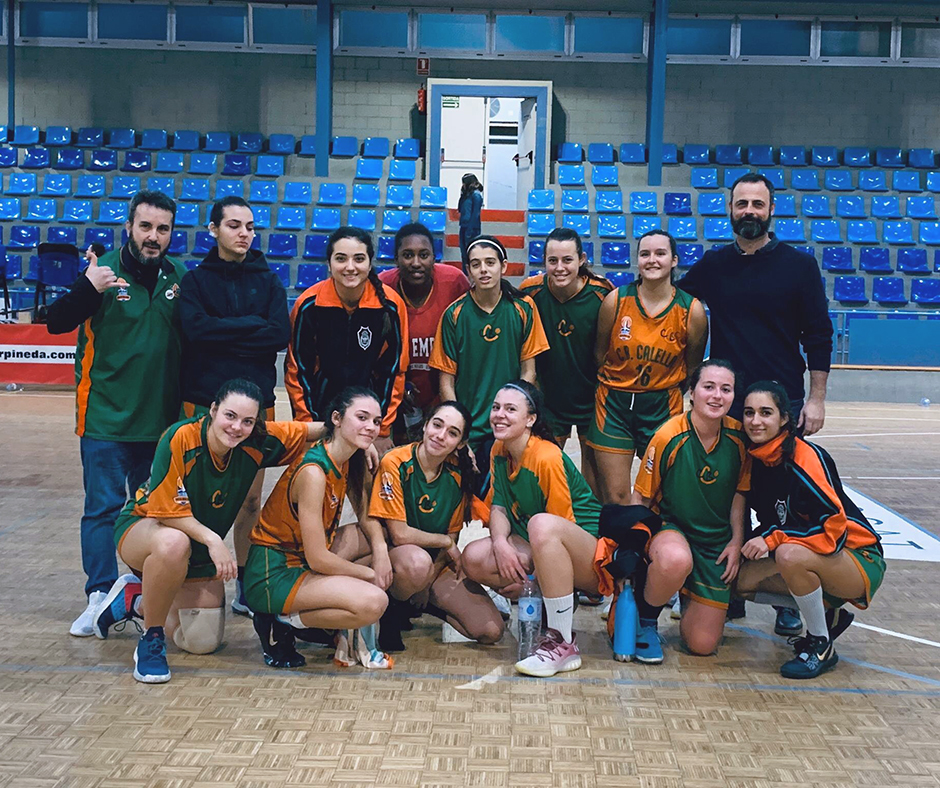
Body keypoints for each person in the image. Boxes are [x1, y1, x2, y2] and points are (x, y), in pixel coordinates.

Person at [678, 172, 832, 633]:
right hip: (728, 406)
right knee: (728, 494)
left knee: (784, 500)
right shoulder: (714, 265)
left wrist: (818, 399)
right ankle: (733, 586)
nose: (749, 211)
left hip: (780, 408)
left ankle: (786, 592)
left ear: (770, 210)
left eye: (757, 204)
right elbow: (671, 298)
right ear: (729, 210)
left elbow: (819, 334)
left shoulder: (799, 266)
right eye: (741, 203)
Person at [93, 379, 320, 684]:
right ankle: (150, 640)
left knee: (201, 642)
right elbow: (167, 514)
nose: (237, 427)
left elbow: (314, 430)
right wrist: (214, 540)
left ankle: (134, 600)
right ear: (213, 410)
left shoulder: (257, 441)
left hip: (195, 549)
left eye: (247, 421)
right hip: (145, 528)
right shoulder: (180, 437)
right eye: (230, 415)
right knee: (174, 542)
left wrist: (359, 437)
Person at [46, 190, 184, 637]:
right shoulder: (101, 271)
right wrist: (89, 285)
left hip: (160, 423)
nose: (153, 236)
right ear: (129, 227)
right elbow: (54, 322)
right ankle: (98, 594)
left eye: (162, 228)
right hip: (105, 418)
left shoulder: (179, 276)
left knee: (154, 514)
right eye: (145, 226)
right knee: (102, 510)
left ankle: (141, 594)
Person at [179, 196, 290, 618]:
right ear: (213, 230)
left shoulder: (270, 281)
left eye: (249, 226)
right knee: (194, 500)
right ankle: (191, 573)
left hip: (257, 407)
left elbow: (278, 334)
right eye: (233, 225)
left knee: (248, 501)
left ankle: (245, 583)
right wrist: (250, 328)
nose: (244, 233)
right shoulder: (195, 282)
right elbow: (195, 331)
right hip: (202, 403)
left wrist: (222, 331)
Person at [737, 380, 885, 679]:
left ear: (784, 418)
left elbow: (833, 528)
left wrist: (773, 539)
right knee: (738, 581)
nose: (755, 421)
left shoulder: (806, 457)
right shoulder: (757, 460)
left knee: (790, 555)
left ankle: (821, 644)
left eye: (766, 412)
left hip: (856, 556)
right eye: (749, 412)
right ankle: (830, 615)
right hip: (816, 557)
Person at [462, 381, 604, 678]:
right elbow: (499, 505)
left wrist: (532, 577)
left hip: (591, 555)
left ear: (531, 419)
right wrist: (500, 544)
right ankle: (544, 600)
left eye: (510, 409)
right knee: (475, 555)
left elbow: (560, 526)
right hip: (543, 544)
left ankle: (563, 642)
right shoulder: (500, 449)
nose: (499, 415)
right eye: (496, 407)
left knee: (540, 523)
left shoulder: (546, 457)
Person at [244, 387, 393, 670]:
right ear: (336, 418)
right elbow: (318, 559)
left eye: (376, 421)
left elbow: (366, 515)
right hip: (273, 571)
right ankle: (282, 620)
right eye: (362, 417)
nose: (371, 427)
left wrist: (381, 551)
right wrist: (368, 574)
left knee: (375, 541)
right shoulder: (314, 472)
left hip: (302, 559)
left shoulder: (349, 457)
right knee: (373, 602)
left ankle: (322, 618)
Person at [630, 360, 749, 662]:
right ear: (692, 392)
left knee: (702, 645)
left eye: (726, 389)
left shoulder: (738, 439)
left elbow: (739, 494)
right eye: (708, 387)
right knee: (675, 559)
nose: (717, 396)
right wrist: (630, 554)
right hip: (671, 530)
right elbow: (640, 499)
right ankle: (646, 619)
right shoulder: (667, 436)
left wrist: (736, 541)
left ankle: (683, 593)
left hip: (715, 544)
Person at [369, 400, 503, 651]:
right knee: (416, 563)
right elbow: (399, 534)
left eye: (452, 433)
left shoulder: (458, 475)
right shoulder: (395, 462)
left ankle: (422, 602)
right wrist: (444, 543)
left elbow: (451, 536)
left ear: (461, 443)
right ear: (425, 426)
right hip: (398, 558)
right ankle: (392, 609)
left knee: (490, 630)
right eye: (437, 425)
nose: (440, 436)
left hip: (432, 566)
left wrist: (427, 583)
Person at [588, 230, 707, 505]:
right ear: (637, 260)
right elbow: (599, 353)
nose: (652, 260)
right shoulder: (615, 301)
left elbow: (692, 367)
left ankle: (653, 546)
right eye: (645, 254)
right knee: (616, 497)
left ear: (674, 260)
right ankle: (619, 547)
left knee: (659, 494)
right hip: (614, 405)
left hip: (662, 405)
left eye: (660, 254)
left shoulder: (692, 311)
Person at [429, 236, 549, 490]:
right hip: (470, 425)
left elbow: (529, 371)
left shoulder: (523, 308)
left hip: (509, 424)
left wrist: (511, 415)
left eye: (490, 262)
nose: (483, 269)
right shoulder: (454, 314)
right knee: (467, 502)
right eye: (475, 264)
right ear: (468, 270)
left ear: (503, 266)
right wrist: (458, 430)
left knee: (514, 499)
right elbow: (446, 381)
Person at [285, 226, 409, 455]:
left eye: (359, 259)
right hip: (320, 412)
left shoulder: (390, 307)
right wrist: (307, 424)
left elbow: (394, 372)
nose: (350, 267)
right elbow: (297, 371)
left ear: (370, 263)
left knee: (366, 487)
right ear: (329, 263)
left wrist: (381, 429)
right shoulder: (309, 305)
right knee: (316, 480)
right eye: (341, 259)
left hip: (370, 416)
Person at [520, 228, 612, 496]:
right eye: (552, 261)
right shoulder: (530, 292)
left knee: (594, 483)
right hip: (549, 401)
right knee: (543, 476)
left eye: (567, 260)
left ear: (582, 259)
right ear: (544, 261)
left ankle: (594, 535)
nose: (560, 268)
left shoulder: (603, 294)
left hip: (592, 400)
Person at [378, 223, 470, 436]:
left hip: (447, 392)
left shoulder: (454, 282)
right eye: (408, 255)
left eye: (424, 255)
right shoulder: (383, 288)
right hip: (396, 396)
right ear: (396, 259)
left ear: (434, 258)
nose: (416, 263)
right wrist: (398, 388)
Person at [457, 173, 483, 269]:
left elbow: (476, 213)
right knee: (463, 254)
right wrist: (462, 195)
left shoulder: (476, 195)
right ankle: (465, 274)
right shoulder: (467, 195)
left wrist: (470, 229)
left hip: (472, 228)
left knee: (470, 253)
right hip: (463, 225)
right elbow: (459, 208)